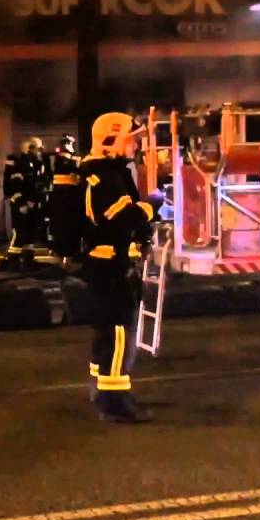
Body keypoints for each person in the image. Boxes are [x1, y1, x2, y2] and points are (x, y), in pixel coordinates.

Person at [78, 112, 156, 423]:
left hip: (105, 264)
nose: (136, 145)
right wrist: (153, 206)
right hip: (112, 266)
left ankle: (101, 392)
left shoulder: (104, 172)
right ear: (112, 140)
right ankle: (115, 403)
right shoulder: (105, 178)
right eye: (132, 139)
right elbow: (124, 218)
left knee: (105, 331)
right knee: (119, 333)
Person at [3, 137, 49, 266]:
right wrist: (21, 203)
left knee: (31, 233)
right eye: (38, 148)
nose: (40, 151)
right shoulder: (15, 161)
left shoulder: (37, 163)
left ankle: (29, 260)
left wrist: (38, 200)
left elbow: (38, 183)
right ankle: (13, 260)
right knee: (20, 233)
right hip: (21, 204)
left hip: (33, 203)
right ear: (30, 148)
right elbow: (10, 186)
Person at [47, 134, 84, 261]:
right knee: (60, 226)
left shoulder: (76, 159)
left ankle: (68, 254)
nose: (66, 145)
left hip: (70, 197)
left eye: (67, 143)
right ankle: (62, 253)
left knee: (68, 226)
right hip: (63, 197)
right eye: (64, 143)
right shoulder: (55, 159)